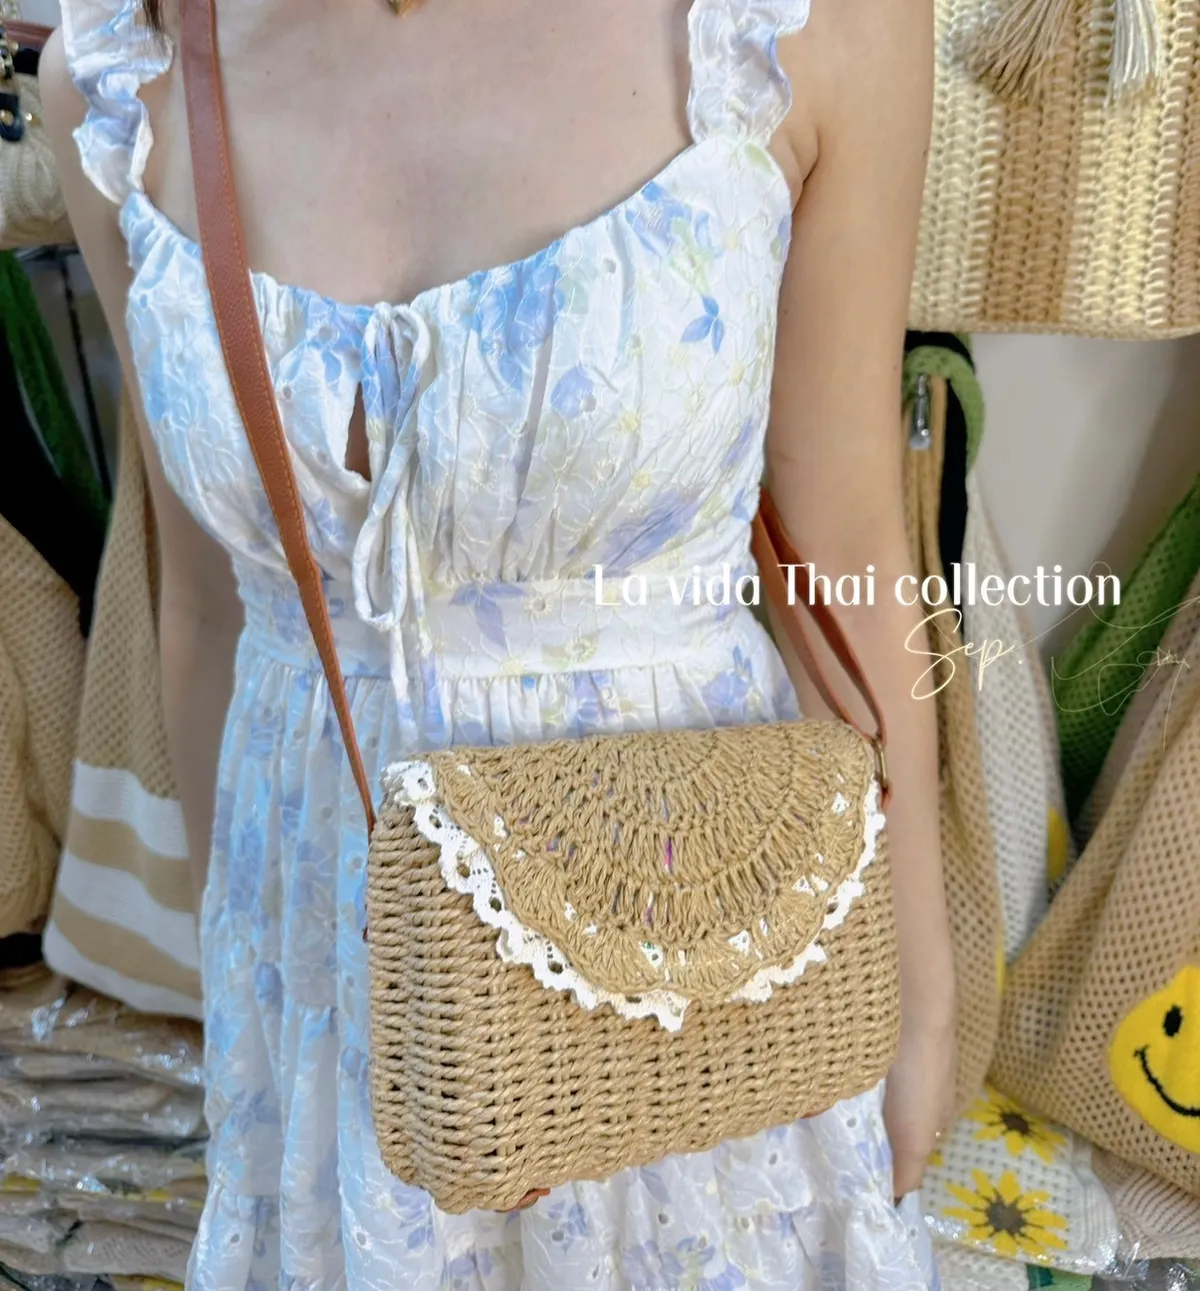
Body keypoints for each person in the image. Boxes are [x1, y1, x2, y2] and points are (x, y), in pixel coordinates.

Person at [41, 0, 956, 1285]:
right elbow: (208, 603)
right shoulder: (117, 77)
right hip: (342, 972)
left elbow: (846, 539)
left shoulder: (807, 27)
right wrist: (250, 995)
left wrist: (921, 993)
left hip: (686, 951)